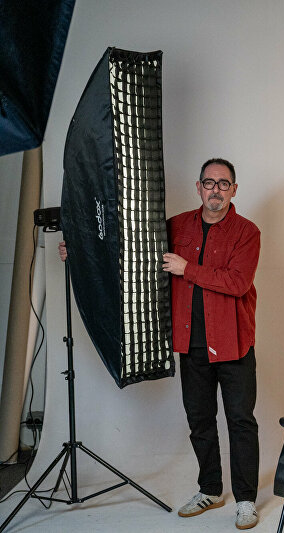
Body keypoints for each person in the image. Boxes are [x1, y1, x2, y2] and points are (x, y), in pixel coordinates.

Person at [57, 157, 261, 530]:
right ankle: (211, 490)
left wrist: (189, 270)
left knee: (240, 421)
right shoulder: (176, 226)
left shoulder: (247, 232)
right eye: (209, 182)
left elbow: (238, 283)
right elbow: (132, 251)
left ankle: (246, 500)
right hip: (190, 343)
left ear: (234, 190)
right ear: (199, 187)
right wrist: (81, 253)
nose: (216, 189)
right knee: (200, 420)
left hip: (233, 343)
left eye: (224, 183)